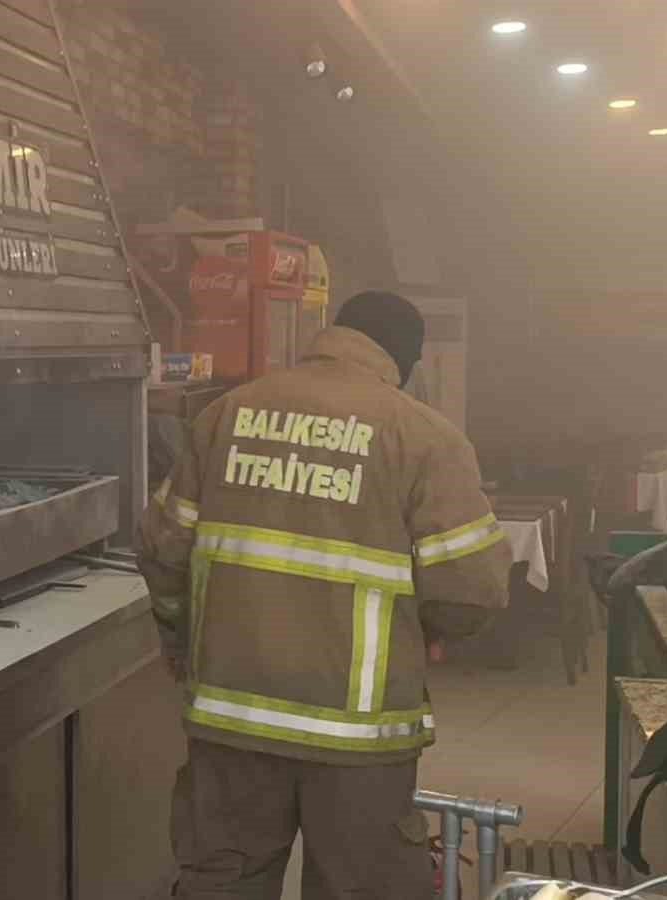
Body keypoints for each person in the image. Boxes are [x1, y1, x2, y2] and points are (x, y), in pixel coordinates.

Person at [137, 291, 512, 899]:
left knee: (222, 882)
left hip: (231, 716)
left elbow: (162, 551)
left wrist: (182, 641)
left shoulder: (226, 416)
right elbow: (474, 586)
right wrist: (435, 632)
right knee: (363, 886)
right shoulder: (423, 436)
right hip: (356, 734)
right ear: (404, 359)